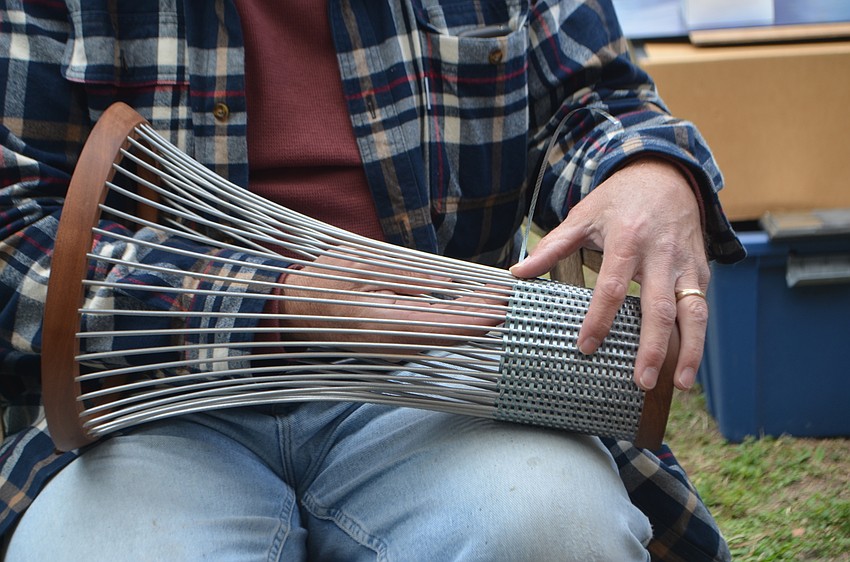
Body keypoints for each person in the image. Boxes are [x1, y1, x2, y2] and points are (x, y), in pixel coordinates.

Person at [0, 1, 744, 560]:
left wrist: (646, 168)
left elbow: (593, 94)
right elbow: (13, 230)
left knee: (558, 531)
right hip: (142, 403)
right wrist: (270, 307)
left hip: (452, 377)